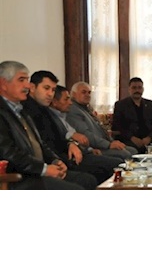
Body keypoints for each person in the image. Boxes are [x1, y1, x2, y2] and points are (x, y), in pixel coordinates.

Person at [0, 61, 96, 190]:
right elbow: (8, 153)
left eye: (27, 80)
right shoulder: (6, 111)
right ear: (3, 84)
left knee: (87, 181)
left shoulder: (20, 109)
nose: (27, 85)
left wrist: (55, 160)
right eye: (21, 80)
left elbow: (40, 143)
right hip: (17, 178)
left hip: (35, 171)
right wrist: (44, 169)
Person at [22, 72, 121, 185]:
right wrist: (56, 161)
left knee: (113, 165)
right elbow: (44, 143)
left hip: (66, 156)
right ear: (32, 87)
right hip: (55, 161)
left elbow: (61, 136)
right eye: (46, 88)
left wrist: (71, 143)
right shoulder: (27, 111)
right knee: (92, 178)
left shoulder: (45, 109)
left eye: (53, 90)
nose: (50, 94)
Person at [66, 81, 138, 161]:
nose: (87, 95)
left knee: (133, 151)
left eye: (89, 93)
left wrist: (113, 142)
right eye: (83, 92)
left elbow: (102, 130)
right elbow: (86, 134)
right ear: (73, 94)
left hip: (103, 143)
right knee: (125, 154)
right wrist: (109, 145)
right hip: (94, 148)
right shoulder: (73, 110)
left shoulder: (87, 108)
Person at [112, 77, 152, 154]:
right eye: (134, 88)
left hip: (149, 140)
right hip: (128, 140)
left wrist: (149, 138)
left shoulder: (151, 105)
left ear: (143, 89)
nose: (137, 90)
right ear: (129, 89)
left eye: (139, 88)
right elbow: (117, 125)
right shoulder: (120, 105)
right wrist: (132, 138)